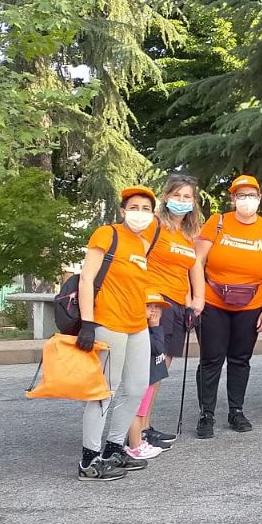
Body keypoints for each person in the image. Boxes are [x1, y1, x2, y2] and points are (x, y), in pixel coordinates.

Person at [74, 185, 159, 479]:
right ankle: (89, 460)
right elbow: (87, 279)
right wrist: (87, 322)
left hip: (137, 324)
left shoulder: (143, 243)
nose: (139, 213)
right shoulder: (106, 234)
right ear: (123, 211)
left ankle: (113, 449)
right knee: (104, 391)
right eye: (134, 208)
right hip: (108, 322)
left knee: (136, 387)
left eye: (146, 209)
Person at [192, 175, 262, 438]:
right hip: (213, 301)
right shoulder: (217, 222)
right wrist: (198, 297)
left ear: (259, 198)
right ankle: (206, 414)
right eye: (241, 195)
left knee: (240, 359)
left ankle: (236, 410)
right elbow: (197, 261)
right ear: (233, 198)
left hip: (251, 303)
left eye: (251, 195)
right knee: (211, 358)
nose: (246, 200)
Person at [127, 173, 202, 454]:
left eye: (187, 197)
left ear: (193, 202)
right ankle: (134, 433)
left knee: (160, 371)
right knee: (150, 370)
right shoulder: (154, 225)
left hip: (178, 305)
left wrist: (193, 301)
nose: (181, 201)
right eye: (177, 195)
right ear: (166, 197)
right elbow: (135, 259)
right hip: (156, 304)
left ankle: (145, 426)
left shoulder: (187, 234)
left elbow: (187, 269)